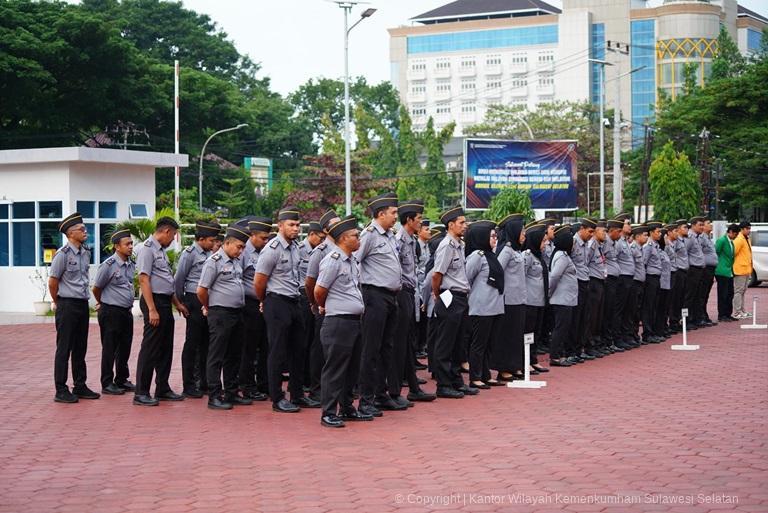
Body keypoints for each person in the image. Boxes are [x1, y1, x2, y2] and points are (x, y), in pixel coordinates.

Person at [255, 206, 316, 413]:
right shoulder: (272, 249)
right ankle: (277, 398)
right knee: (278, 351)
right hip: (276, 302)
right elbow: (259, 281)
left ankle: (297, 394)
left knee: (299, 349)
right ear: (280, 226)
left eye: (298, 225)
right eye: (291, 225)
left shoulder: (295, 248)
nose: (296, 228)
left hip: (294, 301)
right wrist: (265, 300)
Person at [314, 216, 373, 428]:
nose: (359, 239)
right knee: (335, 369)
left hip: (353, 321)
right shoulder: (333, 260)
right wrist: (325, 306)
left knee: (351, 369)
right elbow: (319, 290)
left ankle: (347, 407)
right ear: (343, 238)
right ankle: (328, 412)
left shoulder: (351, 260)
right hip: (338, 321)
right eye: (355, 236)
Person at [355, 193, 404, 416]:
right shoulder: (369, 235)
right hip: (374, 296)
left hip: (391, 297)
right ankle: (366, 399)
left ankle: (381, 394)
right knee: (371, 350)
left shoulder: (390, 236)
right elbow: (354, 263)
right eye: (393, 213)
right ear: (381, 214)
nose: (396, 216)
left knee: (387, 349)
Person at [134, 217, 190, 406]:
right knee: (150, 348)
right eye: (173, 235)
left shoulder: (161, 251)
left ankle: (162, 388)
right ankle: (141, 392)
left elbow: (165, 280)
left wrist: (177, 303)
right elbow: (144, 279)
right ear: (166, 232)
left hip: (165, 301)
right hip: (154, 302)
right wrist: (151, 309)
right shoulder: (147, 249)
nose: (173, 239)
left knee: (165, 347)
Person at [197, 225, 252, 410]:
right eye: (239, 246)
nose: (241, 250)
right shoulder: (214, 261)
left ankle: (231, 391)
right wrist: (209, 307)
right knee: (216, 355)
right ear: (227, 243)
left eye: (243, 247)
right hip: (220, 313)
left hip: (237, 313)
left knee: (234, 355)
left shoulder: (236, 260)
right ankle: (214, 395)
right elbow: (201, 290)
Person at [48, 212, 99, 403]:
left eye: (85, 228)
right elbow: (53, 282)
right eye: (81, 229)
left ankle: (80, 385)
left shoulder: (85, 252)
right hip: (67, 304)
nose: (85, 232)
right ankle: (61, 389)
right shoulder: (62, 255)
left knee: (80, 347)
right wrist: (58, 301)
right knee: (64, 348)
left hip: (81, 304)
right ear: (70, 234)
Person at [392, 200, 435, 404]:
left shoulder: (411, 240)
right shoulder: (399, 239)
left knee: (408, 342)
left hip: (410, 293)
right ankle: (395, 390)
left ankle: (413, 387)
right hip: (400, 294)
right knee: (399, 343)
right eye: (418, 219)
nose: (421, 222)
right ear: (409, 220)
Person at [431, 206, 474, 398]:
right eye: (461, 223)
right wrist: (437, 294)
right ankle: (443, 384)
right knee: (446, 342)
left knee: (459, 341)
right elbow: (437, 274)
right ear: (451, 225)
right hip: (448, 296)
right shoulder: (446, 245)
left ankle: (456, 380)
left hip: (460, 297)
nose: (465, 226)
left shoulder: (459, 244)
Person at [174, 220, 220, 398]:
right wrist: (181, 302)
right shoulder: (190, 253)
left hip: (207, 298)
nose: (213, 244)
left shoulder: (210, 254)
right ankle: (189, 384)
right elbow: (179, 279)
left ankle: (204, 382)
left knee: (206, 343)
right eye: (210, 240)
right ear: (201, 239)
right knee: (192, 343)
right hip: (193, 299)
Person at [304, 209, 342, 403]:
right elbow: (310, 282)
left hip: (341, 308)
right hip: (324, 307)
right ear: (327, 230)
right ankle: (316, 388)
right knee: (320, 348)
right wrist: (315, 303)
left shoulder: (345, 249)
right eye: (335, 224)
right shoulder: (320, 251)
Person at [92, 229, 135, 396]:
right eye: (127, 244)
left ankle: (122, 379)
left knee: (125, 347)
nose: (131, 247)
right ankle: (107, 382)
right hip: (111, 311)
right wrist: (102, 302)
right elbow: (96, 288)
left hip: (125, 312)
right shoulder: (109, 265)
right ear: (117, 246)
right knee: (110, 347)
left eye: (131, 243)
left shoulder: (130, 264)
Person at [465, 220, 504, 389]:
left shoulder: (491, 255)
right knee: (479, 344)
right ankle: (475, 377)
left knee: (490, 343)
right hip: (480, 307)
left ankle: (486, 374)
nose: (495, 239)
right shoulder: (476, 257)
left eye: (496, 236)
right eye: (492, 236)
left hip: (494, 306)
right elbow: (466, 280)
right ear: (481, 237)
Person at [238, 216, 272, 401]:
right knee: (249, 347)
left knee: (265, 345)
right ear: (252, 236)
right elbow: (238, 279)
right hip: (249, 305)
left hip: (265, 304)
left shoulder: (266, 251)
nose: (266, 241)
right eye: (263, 238)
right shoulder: (242, 252)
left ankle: (264, 383)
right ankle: (247, 385)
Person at [495, 214, 529, 382]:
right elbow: (497, 270)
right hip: (508, 300)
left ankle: (515, 365)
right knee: (507, 335)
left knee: (517, 335)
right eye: (522, 231)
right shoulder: (507, 250)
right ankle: (504, 368)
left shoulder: (517, 250)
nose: (524, 235)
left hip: (519, 299)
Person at [297, 221, 326, 403]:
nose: (322, 241)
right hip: (304, 295)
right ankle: (306, 379)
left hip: (316, 296)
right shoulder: (300, 249)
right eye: (320, 237)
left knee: (314, 339)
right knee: (304, 340)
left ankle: (310, 378)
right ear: (312, 234)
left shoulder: (322, 250)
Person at [548, 225, 578, 367]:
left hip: (566, 299)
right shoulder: (562, 256)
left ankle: (559, 354)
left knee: (563, 327)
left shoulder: (562, 255)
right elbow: (554, 276)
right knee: (560, 328)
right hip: (562, 299)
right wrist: (549, 293)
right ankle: (555, 356)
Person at [570, 218, 597, 363]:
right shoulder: (573, 243)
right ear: (582, 228)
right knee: (576, 318)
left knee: (584, 318)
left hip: (585, 281)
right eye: (590, 231)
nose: (591, 235)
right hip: (575, 283)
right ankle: (573, 350)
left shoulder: (587, 244)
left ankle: (580, 348)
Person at [601, 219, 625, 353]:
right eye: (618, 231)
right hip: (608, 280)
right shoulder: (605, 243)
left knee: (614, 311)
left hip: (615, 280)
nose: (620, 234)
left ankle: (611, 340)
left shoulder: (615, 243)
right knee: (608, 311)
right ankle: (606, 341)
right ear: (611, 231)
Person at [585, 220, 607, 357]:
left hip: (600, 282)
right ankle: (589, 345)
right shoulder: (592, 245)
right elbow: (585, 263)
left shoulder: (599, 245)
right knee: (592, 316)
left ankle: (596, 342)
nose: (605, 233)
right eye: (602, 231)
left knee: (599, 315)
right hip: (593, 282)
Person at [642, 222, 664, 343]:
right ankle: (647, 333)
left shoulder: (655, 245)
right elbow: (643, 263)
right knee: (648, 306)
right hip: (650, 278)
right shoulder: (648, 246)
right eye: (657, 232)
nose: (660, 234)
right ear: (651, 233)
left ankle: (653, 331)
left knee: (654, 305)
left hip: (656, 278)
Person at [684, 216, 706, 328]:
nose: (702, 227)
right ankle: (687, 321)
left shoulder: (697, 237)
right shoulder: (690, 237)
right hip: (692, 270)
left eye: (703, 225)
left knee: (697, 295)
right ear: (692, 225)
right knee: (689, 296)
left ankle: (695, 318)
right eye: (700, 225)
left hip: (699, 270)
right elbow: (685, 253)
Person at [715, 224, 739, 322]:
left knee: (730, 293)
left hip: (729, 271)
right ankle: (722, 315)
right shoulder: (722, 240)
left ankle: (728, 313)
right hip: (721, 270)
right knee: (722, 294)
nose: (736, 236)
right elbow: (716, 252)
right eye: (735, 234)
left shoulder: (731, 242)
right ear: (730, 232)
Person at [669, 219, 690, 332]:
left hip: (684, 271)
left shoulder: (682, 241)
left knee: (681, 298)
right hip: (678, 271)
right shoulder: (675, 242)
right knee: (675, 298)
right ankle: (673, 321)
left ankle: (677, 320)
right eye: (684, 228)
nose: (686, 230)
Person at [628, 225, 648, 344]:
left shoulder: (641, 248)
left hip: (640, 282)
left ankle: (635, 334)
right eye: (644, 235)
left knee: (638, 310)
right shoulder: (633, 248)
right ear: (637, 236)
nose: (646, 238)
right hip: (634, 283)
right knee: (633, 311)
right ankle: (631, 334)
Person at [699, 219, 719, 325]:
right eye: (708, 224)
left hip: (710, 269)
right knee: (702, 294)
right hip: (705, 269)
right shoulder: (701, 238)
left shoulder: (708, 238)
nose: (710, 225)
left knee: (706, 294)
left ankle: (704, 315)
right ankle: (701, 316)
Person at [732, 221, 753, 319]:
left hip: (746, 269)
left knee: (742, 291)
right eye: (747, 228)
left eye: (749, 228)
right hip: (740, 269)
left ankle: (742, 310)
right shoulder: (739, 239)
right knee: (738, 291)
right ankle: (737, 312)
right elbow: (733, 252)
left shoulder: (746, 238)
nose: (749, 230)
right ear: (742, 229)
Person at [656, 228, 673, 339]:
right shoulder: (656, 250)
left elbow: (673, 255)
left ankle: (663, 327)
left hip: (666, 282)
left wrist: (668, 245)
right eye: (665, 237)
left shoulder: (663, 250)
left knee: (665, 307)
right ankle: (658, 329)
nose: (667, 239)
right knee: (659, 308)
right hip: (660, 283)